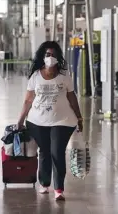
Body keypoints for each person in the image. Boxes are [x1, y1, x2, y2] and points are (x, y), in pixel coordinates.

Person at [17, 41, 83, 201]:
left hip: (62, 120)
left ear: (58, 57)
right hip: (36, 121)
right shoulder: (35, 77)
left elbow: (72, 97)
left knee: (57, 152)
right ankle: (45, 183)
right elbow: (28, 101)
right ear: (43, 57)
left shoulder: (64, 76)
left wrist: (79, 117)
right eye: (47, 54)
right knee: (44, 151)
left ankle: (59, 188)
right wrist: (20, 121)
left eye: (53, 55)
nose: (50, 57)